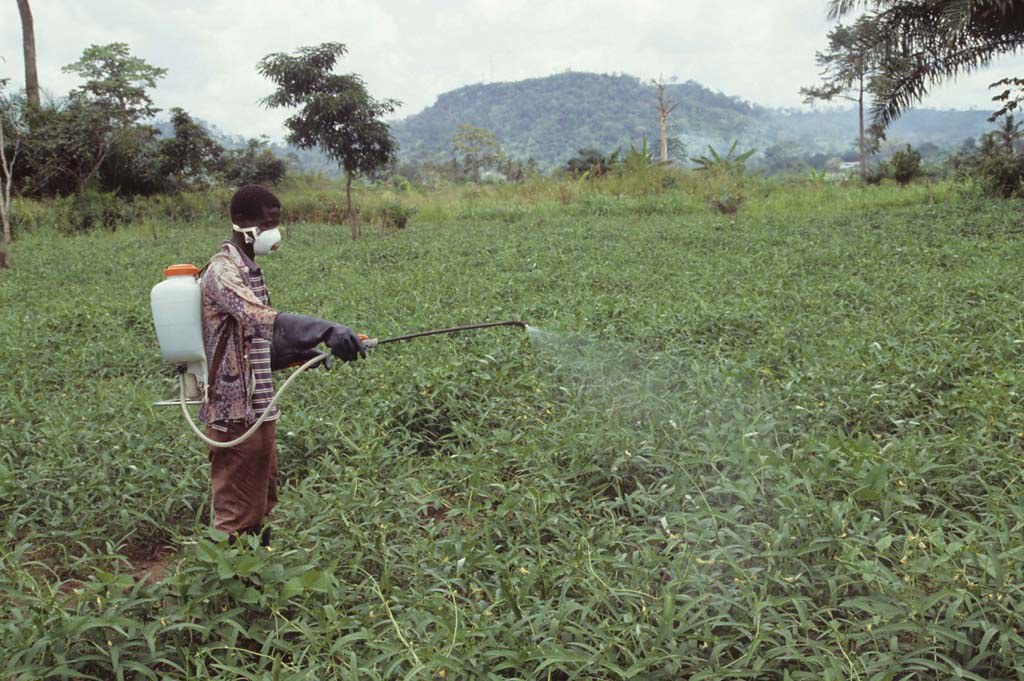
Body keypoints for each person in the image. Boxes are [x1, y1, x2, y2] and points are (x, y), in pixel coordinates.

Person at [198, 184, 364, 547]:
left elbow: (256, 347)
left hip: (259, 407)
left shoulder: (250, 270)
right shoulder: (221, 272)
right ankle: (219, 587)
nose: (273, 231)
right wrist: (324, 329)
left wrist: (301, 354)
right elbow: (260, 319)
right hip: (232, 412)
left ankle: (255, 578)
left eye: (277, 223)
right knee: (235, 512)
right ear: (241, 221)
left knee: (260, 504)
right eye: (267, 223)